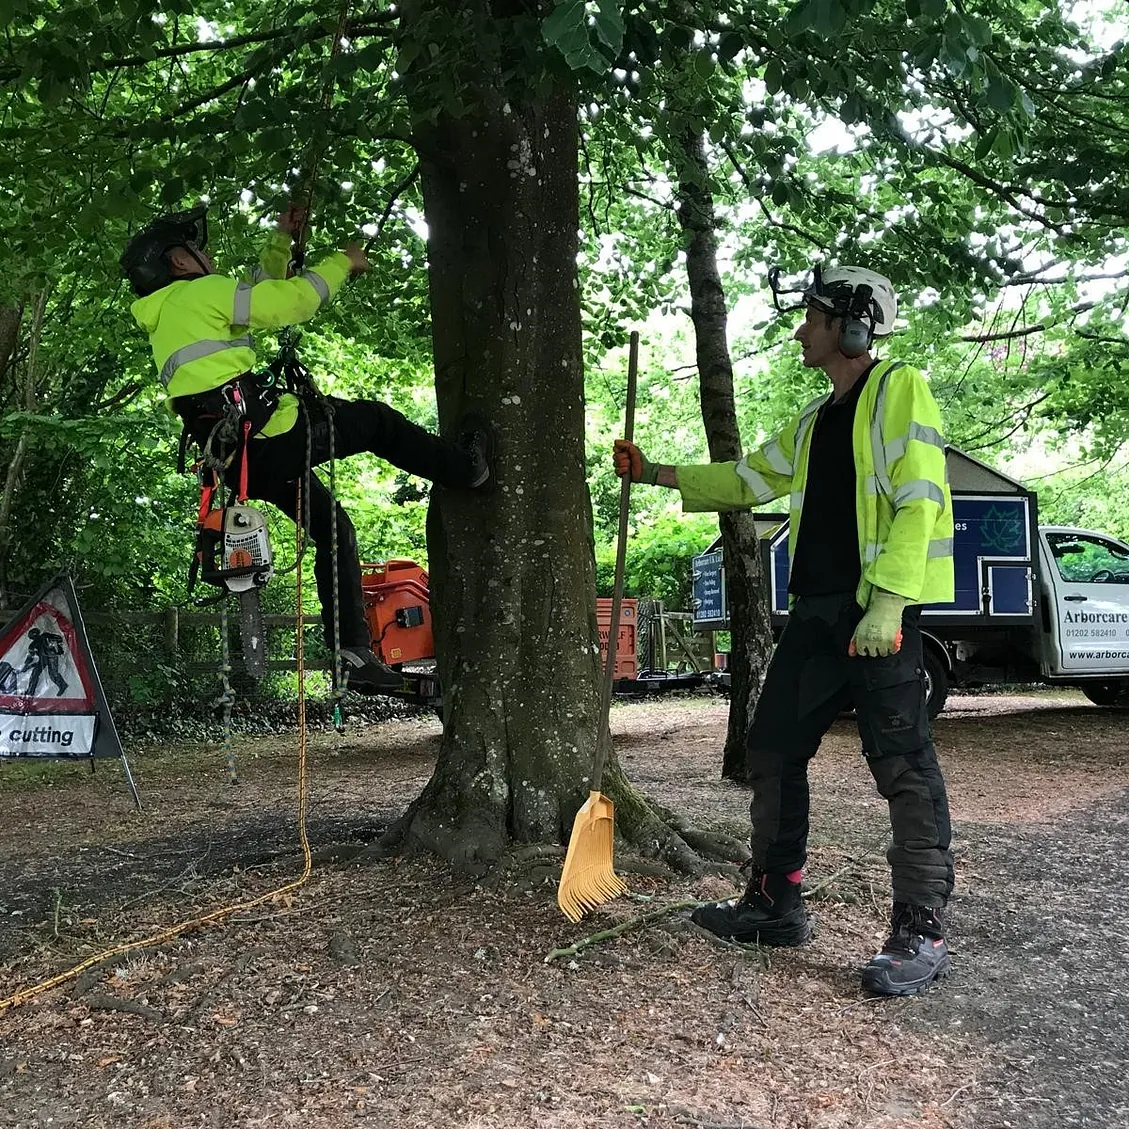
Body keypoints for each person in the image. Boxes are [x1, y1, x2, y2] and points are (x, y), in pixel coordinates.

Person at [613, 265, 955, 996]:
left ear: (851, 325)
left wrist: (889, 604)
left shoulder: (898, 390)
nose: (800, 329)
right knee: (769, 747)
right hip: (815, 612)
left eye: (811, 317)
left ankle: (919, 927)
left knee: (901, 763)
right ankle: (773, 902)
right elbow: (744, 480)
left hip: (875, 611)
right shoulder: (812, 419)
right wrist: (654, 473)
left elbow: (919, 501)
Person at [121, 203, 493, 694]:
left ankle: (353, 654)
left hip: (241, 460)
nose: (206, 255)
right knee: (377, 422)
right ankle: (467, 470)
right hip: (273, 437)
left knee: (333, 530)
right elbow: (291, 302)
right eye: (198, 249)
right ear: (179, 262)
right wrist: (344, 261)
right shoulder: (200, 293)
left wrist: (280, 239)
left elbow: (254, 295)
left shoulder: (173, 314)